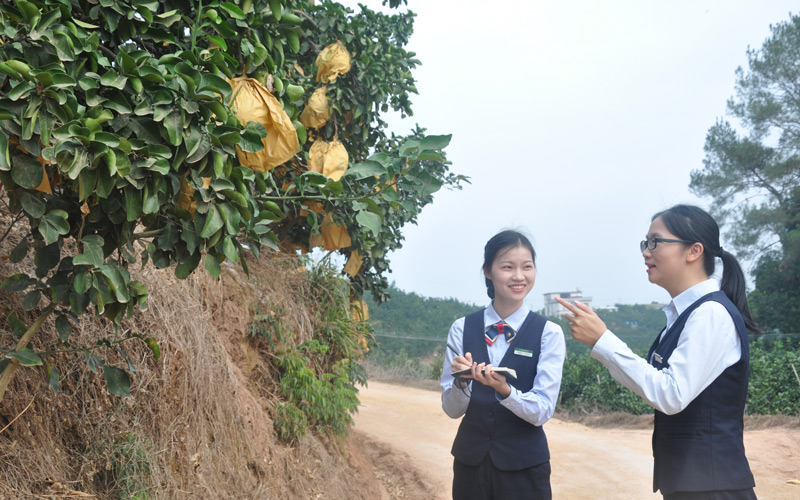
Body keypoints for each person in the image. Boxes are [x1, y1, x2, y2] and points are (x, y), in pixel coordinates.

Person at [555, 204, 761, 500]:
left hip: (712, 488)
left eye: (656, 242)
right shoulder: (683, 315)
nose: (646, 252)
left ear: (693, 251)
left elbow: (671, 394)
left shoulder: (710, 314)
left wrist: (604, 340)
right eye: (645, 243)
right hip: (692, 484)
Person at [441, 229, 566, 500]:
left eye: (527, 267)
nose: (519, 276)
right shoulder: (461, 328)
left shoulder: (549, 333)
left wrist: (506, 391)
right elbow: (451, 410)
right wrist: (462, 382)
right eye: (507, 267)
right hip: (470, 465)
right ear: (488, 271)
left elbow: (543, 410)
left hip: (525, 468)